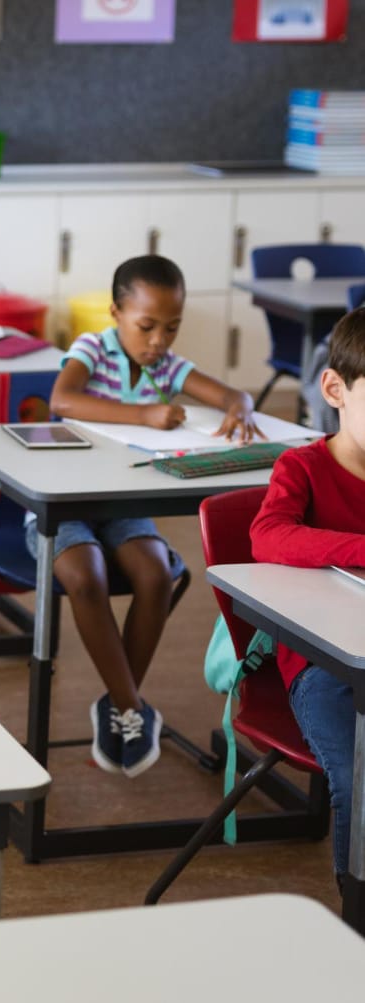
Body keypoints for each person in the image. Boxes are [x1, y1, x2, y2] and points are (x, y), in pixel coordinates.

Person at [46, 254, 260, 779]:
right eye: (147, 326)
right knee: (85, 573)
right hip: (64, 501)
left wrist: (241, 408)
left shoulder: (166, 366)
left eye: (171, 327)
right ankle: (131, 707)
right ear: (117, 312)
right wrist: (142, 414)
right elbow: (62, 399)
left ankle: (122, 706)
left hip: (123, 507)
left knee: (156, 572)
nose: (159, 340)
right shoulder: (93, 349)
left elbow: (233, 392)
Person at [251, 306, 365, 883]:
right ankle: (357, 909)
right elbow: (267, 535)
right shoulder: (304, 467)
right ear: (335, 389)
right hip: (320, 662)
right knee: (358, 779)